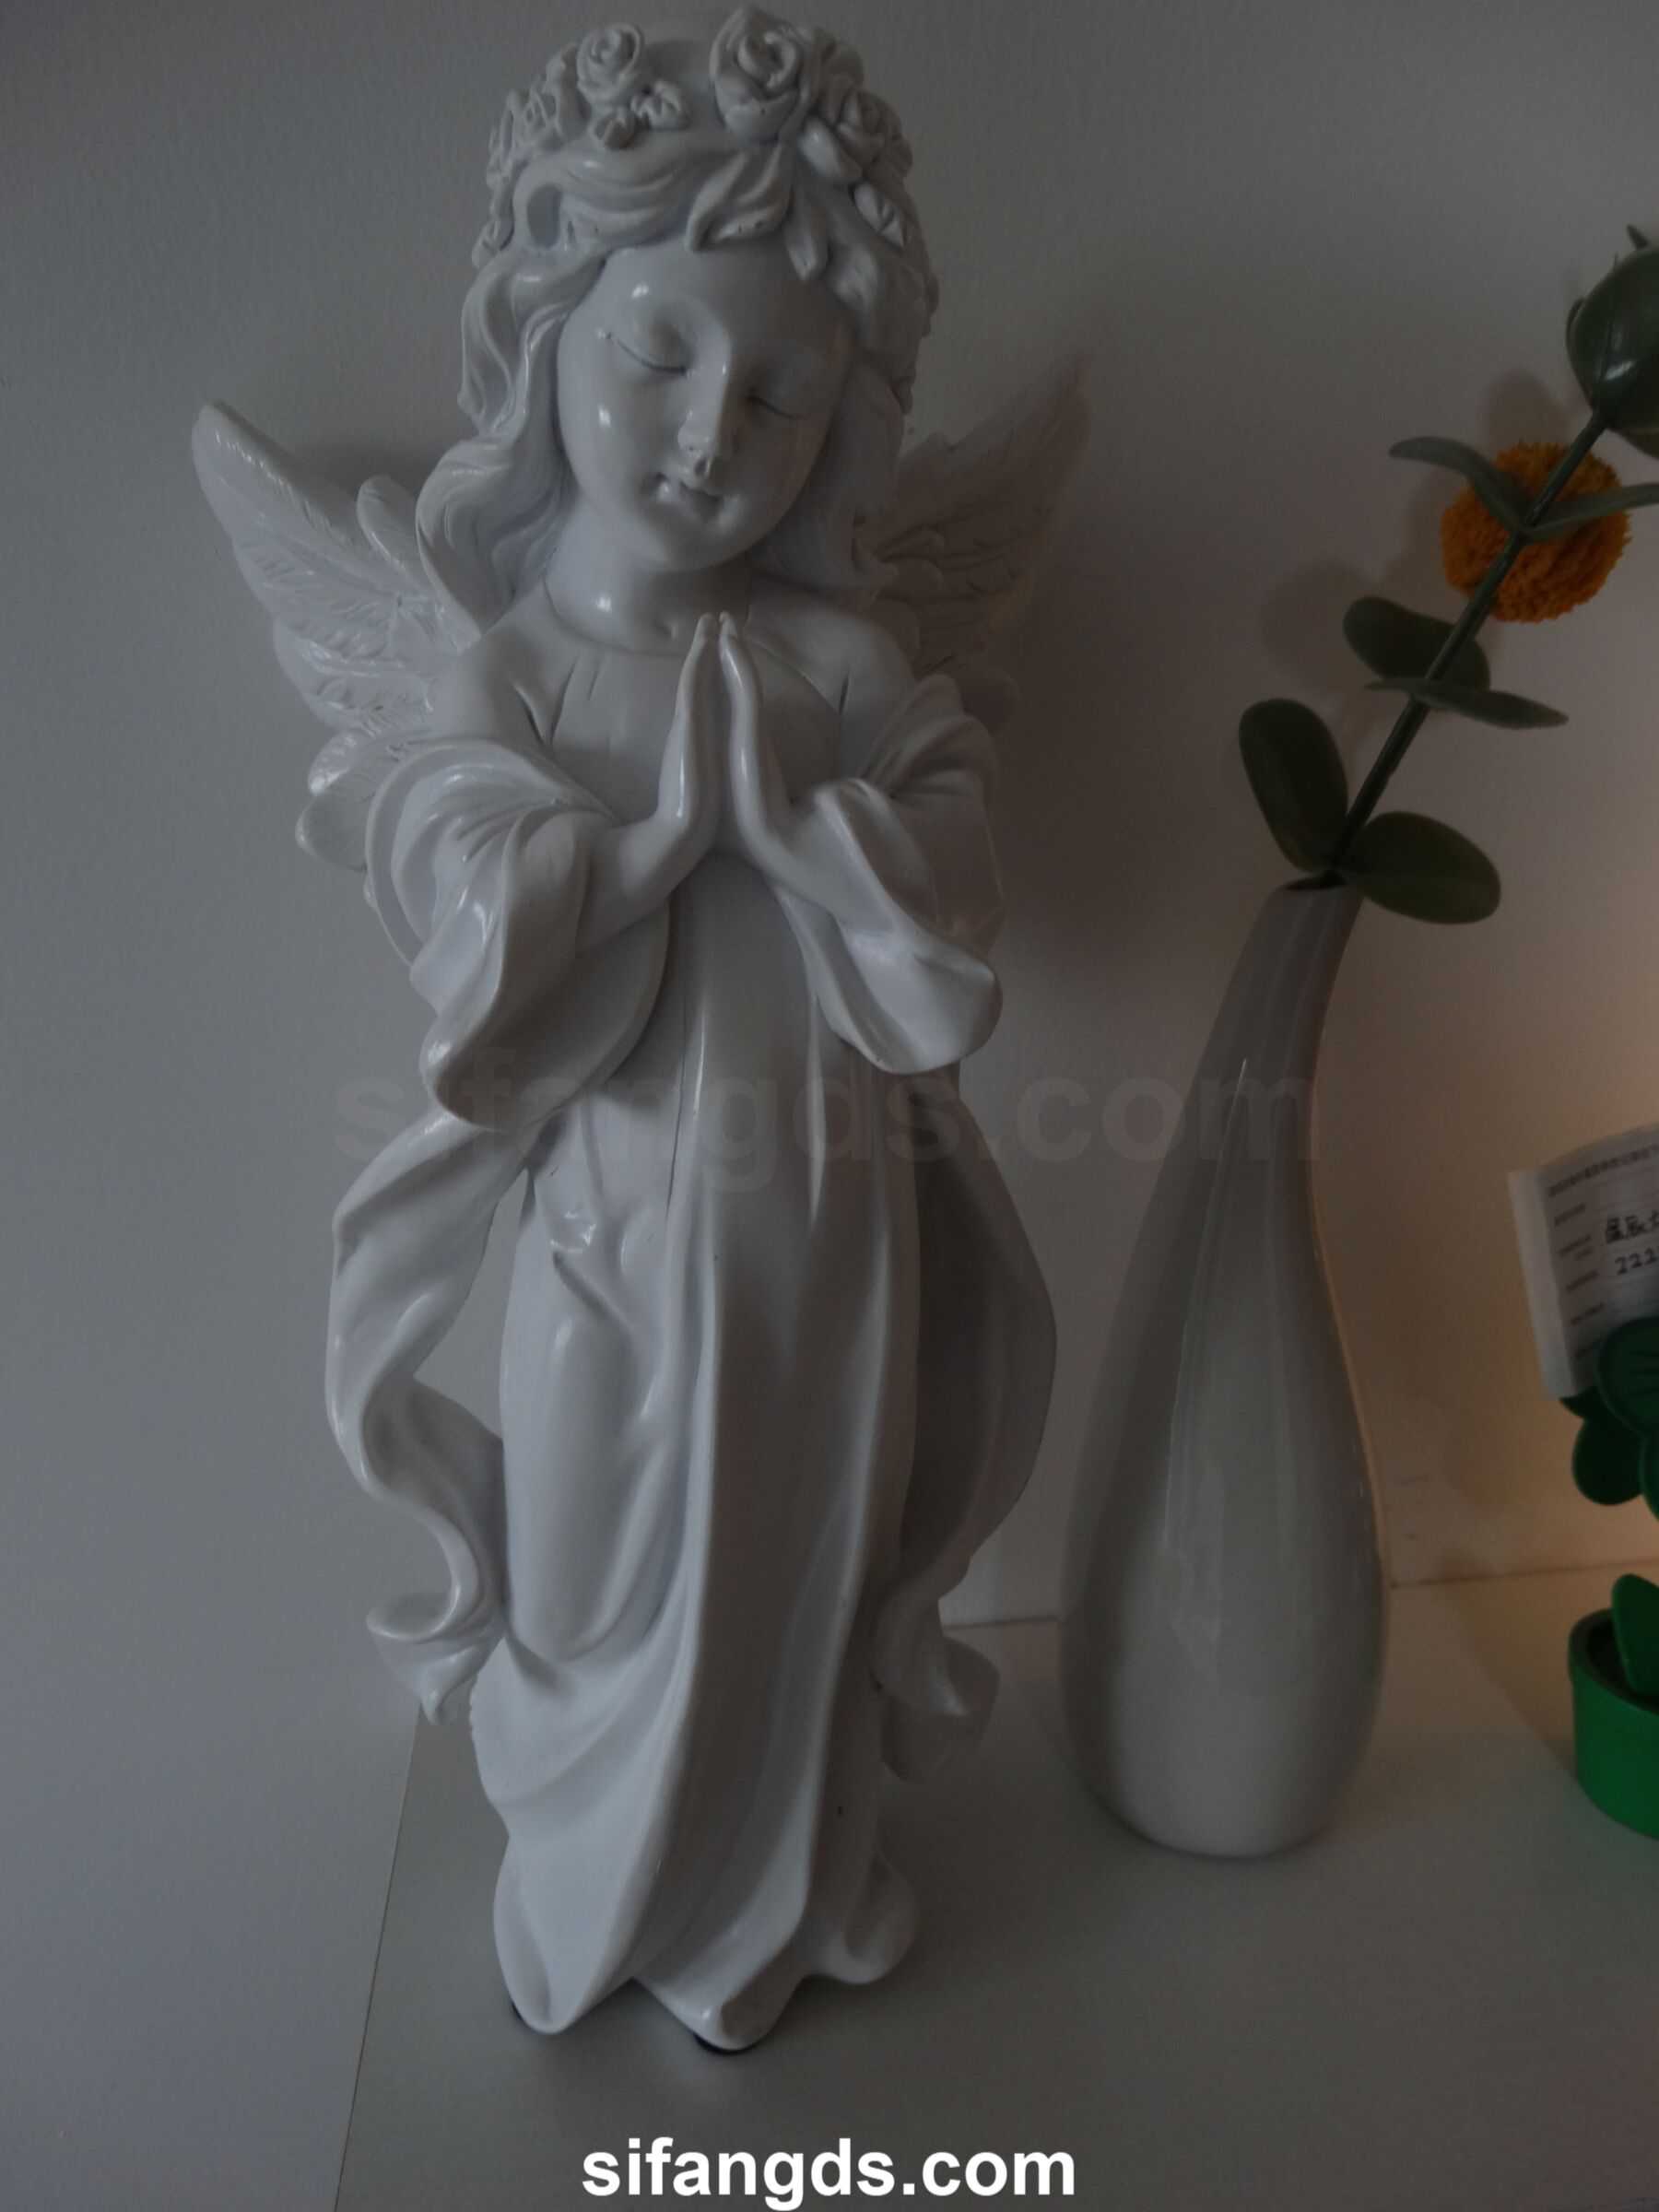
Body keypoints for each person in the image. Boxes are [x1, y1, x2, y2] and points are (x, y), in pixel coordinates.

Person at [214, 14, 1057, 2052]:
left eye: (778, 394)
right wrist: (661, 841)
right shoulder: (510, 671)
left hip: (830, 1220)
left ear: (841, 425)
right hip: (605, 1213)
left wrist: (808, 829)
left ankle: (782, 1900)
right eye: (657, 355)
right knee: (597, 1549)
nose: (707, 436)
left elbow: (961, 873)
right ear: (543, 342)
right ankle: (597, 1891)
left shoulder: (841, 665)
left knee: (802, 1544)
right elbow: (455, 885)